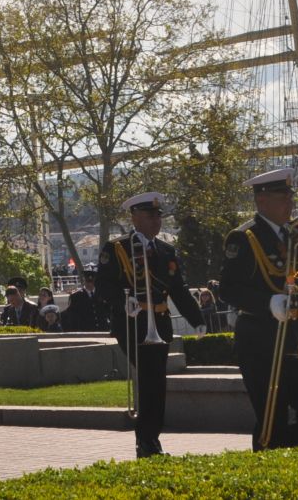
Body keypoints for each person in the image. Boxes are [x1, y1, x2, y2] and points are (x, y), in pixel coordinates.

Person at [219, 167, 298, 449]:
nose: (290, 203)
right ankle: (268, 471)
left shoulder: (297, 234)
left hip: (297, 337)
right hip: (261, 341)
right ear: (262, 201)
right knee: (273, 417)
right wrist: (268, 302)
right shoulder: (244, 237)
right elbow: (229, 289)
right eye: (282, 197)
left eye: (290, 196)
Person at [94, 192, 203, 458]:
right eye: (149, 216)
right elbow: (103, 287)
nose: (156, 221)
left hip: (160, 324)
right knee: (149, 379)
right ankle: (147, 440)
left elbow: (179, 290)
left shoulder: (166, 251)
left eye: (158, 216)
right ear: (134, 217)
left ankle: (151, 438)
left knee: (157, 382)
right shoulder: (118, 248)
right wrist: (123, 300)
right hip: (132, 324)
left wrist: (196, 319)